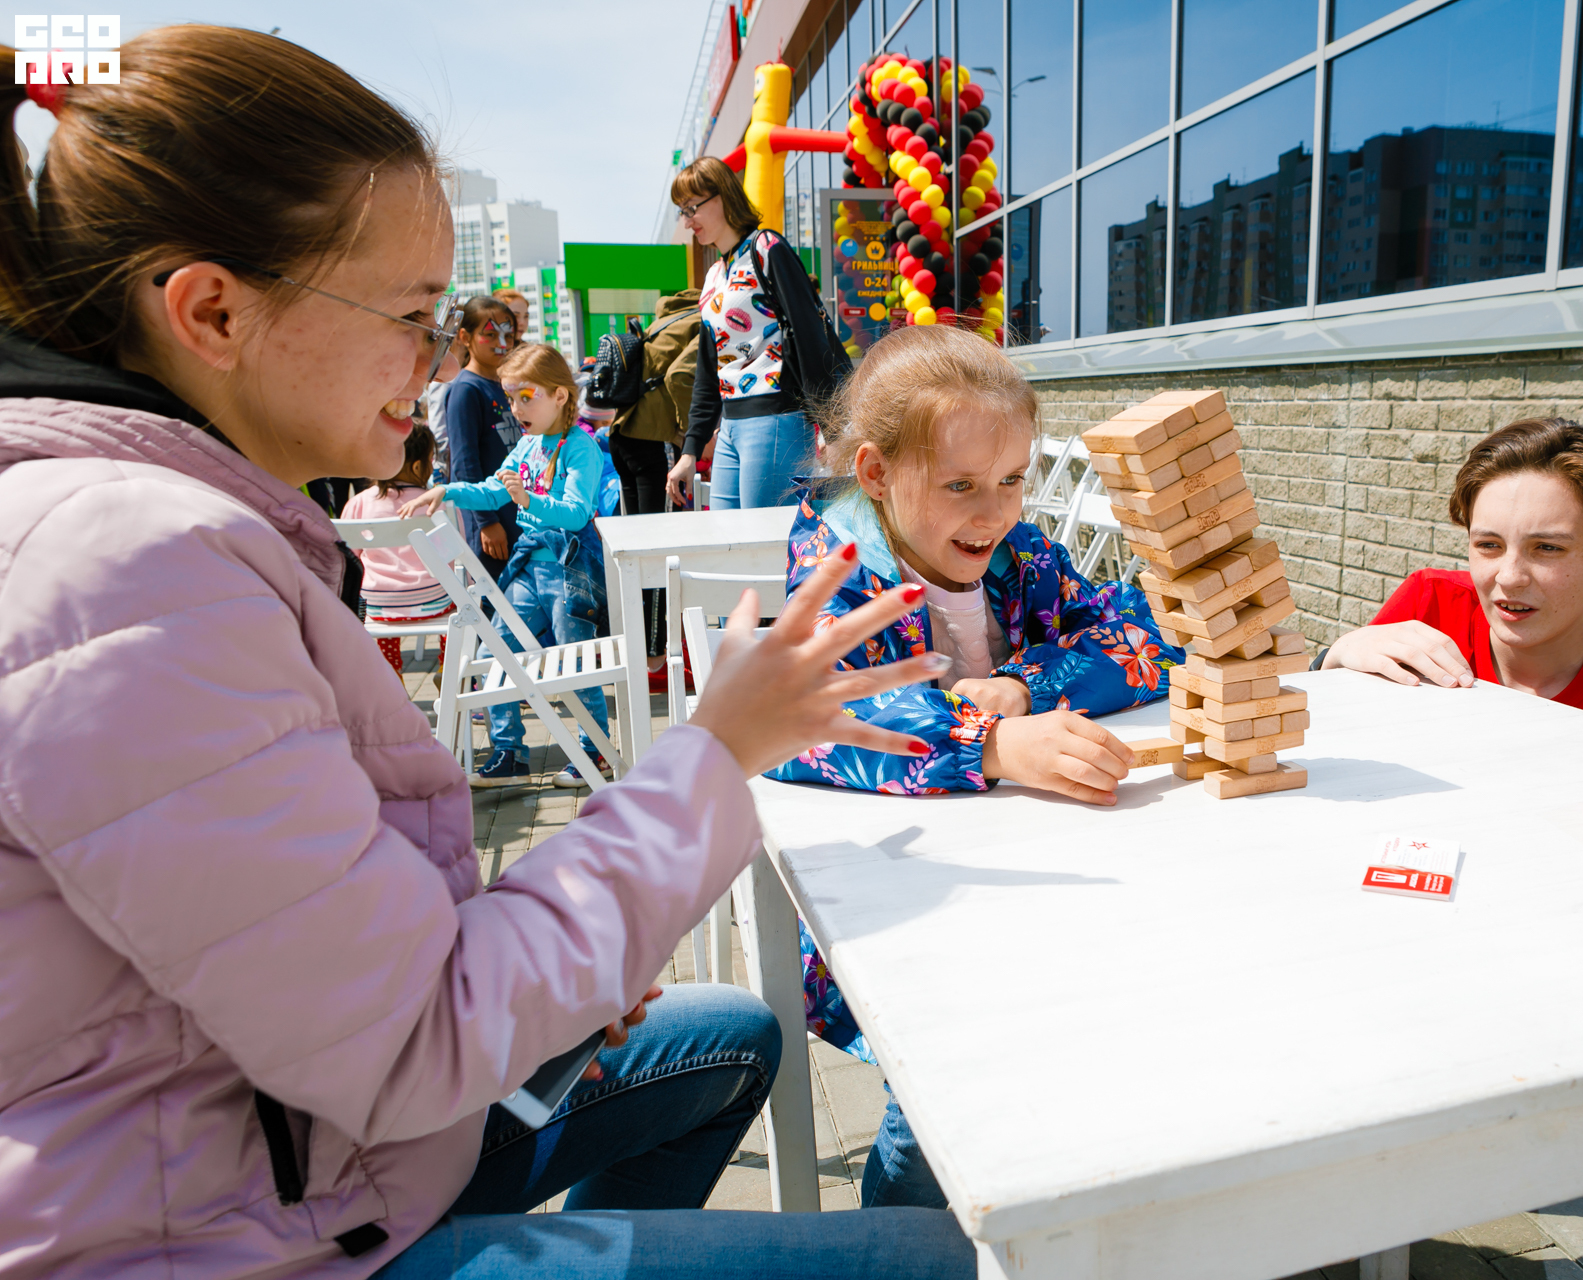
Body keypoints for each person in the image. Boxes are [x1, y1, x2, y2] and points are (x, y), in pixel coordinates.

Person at [0, 27, 976, 1280]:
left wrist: (545, 957)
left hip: (286, 1146)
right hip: (223, 1238)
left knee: (729, 1035)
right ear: (214, 312)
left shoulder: (162, 536)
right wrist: (716, 749)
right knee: (938, 1258)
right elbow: (415, 1037)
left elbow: (297, 933)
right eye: (413, 314)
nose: (441, 360)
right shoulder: (125, 571)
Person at [766, 323, 1178, 1209]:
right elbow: (806, 714)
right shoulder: (837, 572)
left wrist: (1027, 687)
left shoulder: (1024, 558)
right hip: (891, 915)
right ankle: (899, 1247)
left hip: (1032, 880)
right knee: (949, 1083)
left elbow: (1146, 636)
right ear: (875, 473)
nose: (994, 513)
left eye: (1012, 480)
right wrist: (987, 744)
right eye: (960, 485)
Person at [1318, 417, 1583, 710]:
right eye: (1489, 545)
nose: (1509, 577)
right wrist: (1331, 661)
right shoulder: (1429, 605)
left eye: (1547, 548)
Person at [404, 343, 614, 788]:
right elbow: (492, 489)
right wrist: (448, 491)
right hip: (528, 566)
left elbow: (577, 513)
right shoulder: (528, 444)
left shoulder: (581, 447)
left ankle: (594, 752)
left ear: (560, 395)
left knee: (574, 662)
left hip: (568, 568)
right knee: (493, 652)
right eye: (511, 397)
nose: (516, 408)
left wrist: (528, 499)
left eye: (526, 396)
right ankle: (509, 753)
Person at [665, 156, 851, 511]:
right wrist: (690, 450)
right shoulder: (715, 275)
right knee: (725, 536)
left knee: (765, 538)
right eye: (682, 211)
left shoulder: (766, 248)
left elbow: (809, 334)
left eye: (691, 208)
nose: (687, 221)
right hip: (730, 425)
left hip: (776, 417)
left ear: (722, 197)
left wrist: (832, 427)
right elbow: (708, 368)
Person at [608, 286, 702, 686]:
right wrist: (688, 435)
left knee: (639, 550)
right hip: (654, 441)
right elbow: (681, 376)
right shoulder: (703, 321)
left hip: (623, 435)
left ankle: (641, 651)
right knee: (659, 553)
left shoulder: (666, 319)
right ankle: (655, 659)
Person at [341, 422, 453, 676]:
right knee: (459, 604)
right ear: (417, 467)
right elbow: (451, 556)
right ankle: (446, 667)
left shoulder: (359, 503)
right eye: (431, 460)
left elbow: (350, 557)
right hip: (432, 601)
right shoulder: (434, 504)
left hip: (378, 605)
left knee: (379, 597)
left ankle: (391, 670)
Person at [444, 295, 522, 578]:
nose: (502, 343)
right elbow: (464, 463)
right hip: (491, 519)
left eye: (508, 335)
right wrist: (486, 521)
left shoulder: (507, 385)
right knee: (496, 594)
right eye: (490, 334)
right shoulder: (466, 390)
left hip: (516, 510)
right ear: (465, 337)